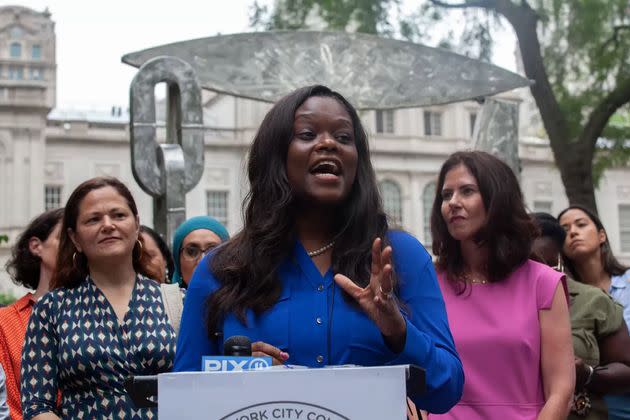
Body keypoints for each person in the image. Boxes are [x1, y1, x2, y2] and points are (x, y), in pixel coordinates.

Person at [174, 85, 463, 414]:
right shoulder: (220, 270)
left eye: (343, 137)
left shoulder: (400, 256)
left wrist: (398, 333)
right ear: (276, 154)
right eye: (307, 133)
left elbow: (447, 390)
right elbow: (180, 400)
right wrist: (234, 373)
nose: (328, 144)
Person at [429, 151, 574, 419]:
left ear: (498, 199)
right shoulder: (428, 282)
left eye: (467, 191)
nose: (453, 203)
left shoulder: (543, 282)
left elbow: (561, 392)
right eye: (446, 195)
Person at [19, 177, 177, 420]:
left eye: (118, 215)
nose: (108, 225)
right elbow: (38, 405)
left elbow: (203, 385)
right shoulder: (51, 309)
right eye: (93, 219)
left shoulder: (177, 302)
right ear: (74, 238)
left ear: (136, 225)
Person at [532, 212, 630, 419]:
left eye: (541, 263)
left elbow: (626, 371)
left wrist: (587, 373)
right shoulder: (500, 301)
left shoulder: (593, 301)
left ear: (557, 257)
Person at [0, 208, 63, 420]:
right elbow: (9, 404)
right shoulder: (6, 322)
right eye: (64, 238)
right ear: (36, 246)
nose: (76, 247)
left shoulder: (99, 312)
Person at [171, 215, 229, 286]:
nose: (202, 261)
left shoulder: (242, 296)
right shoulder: (162, 296)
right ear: (178, 262)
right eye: (191, 252)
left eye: (213, 252)